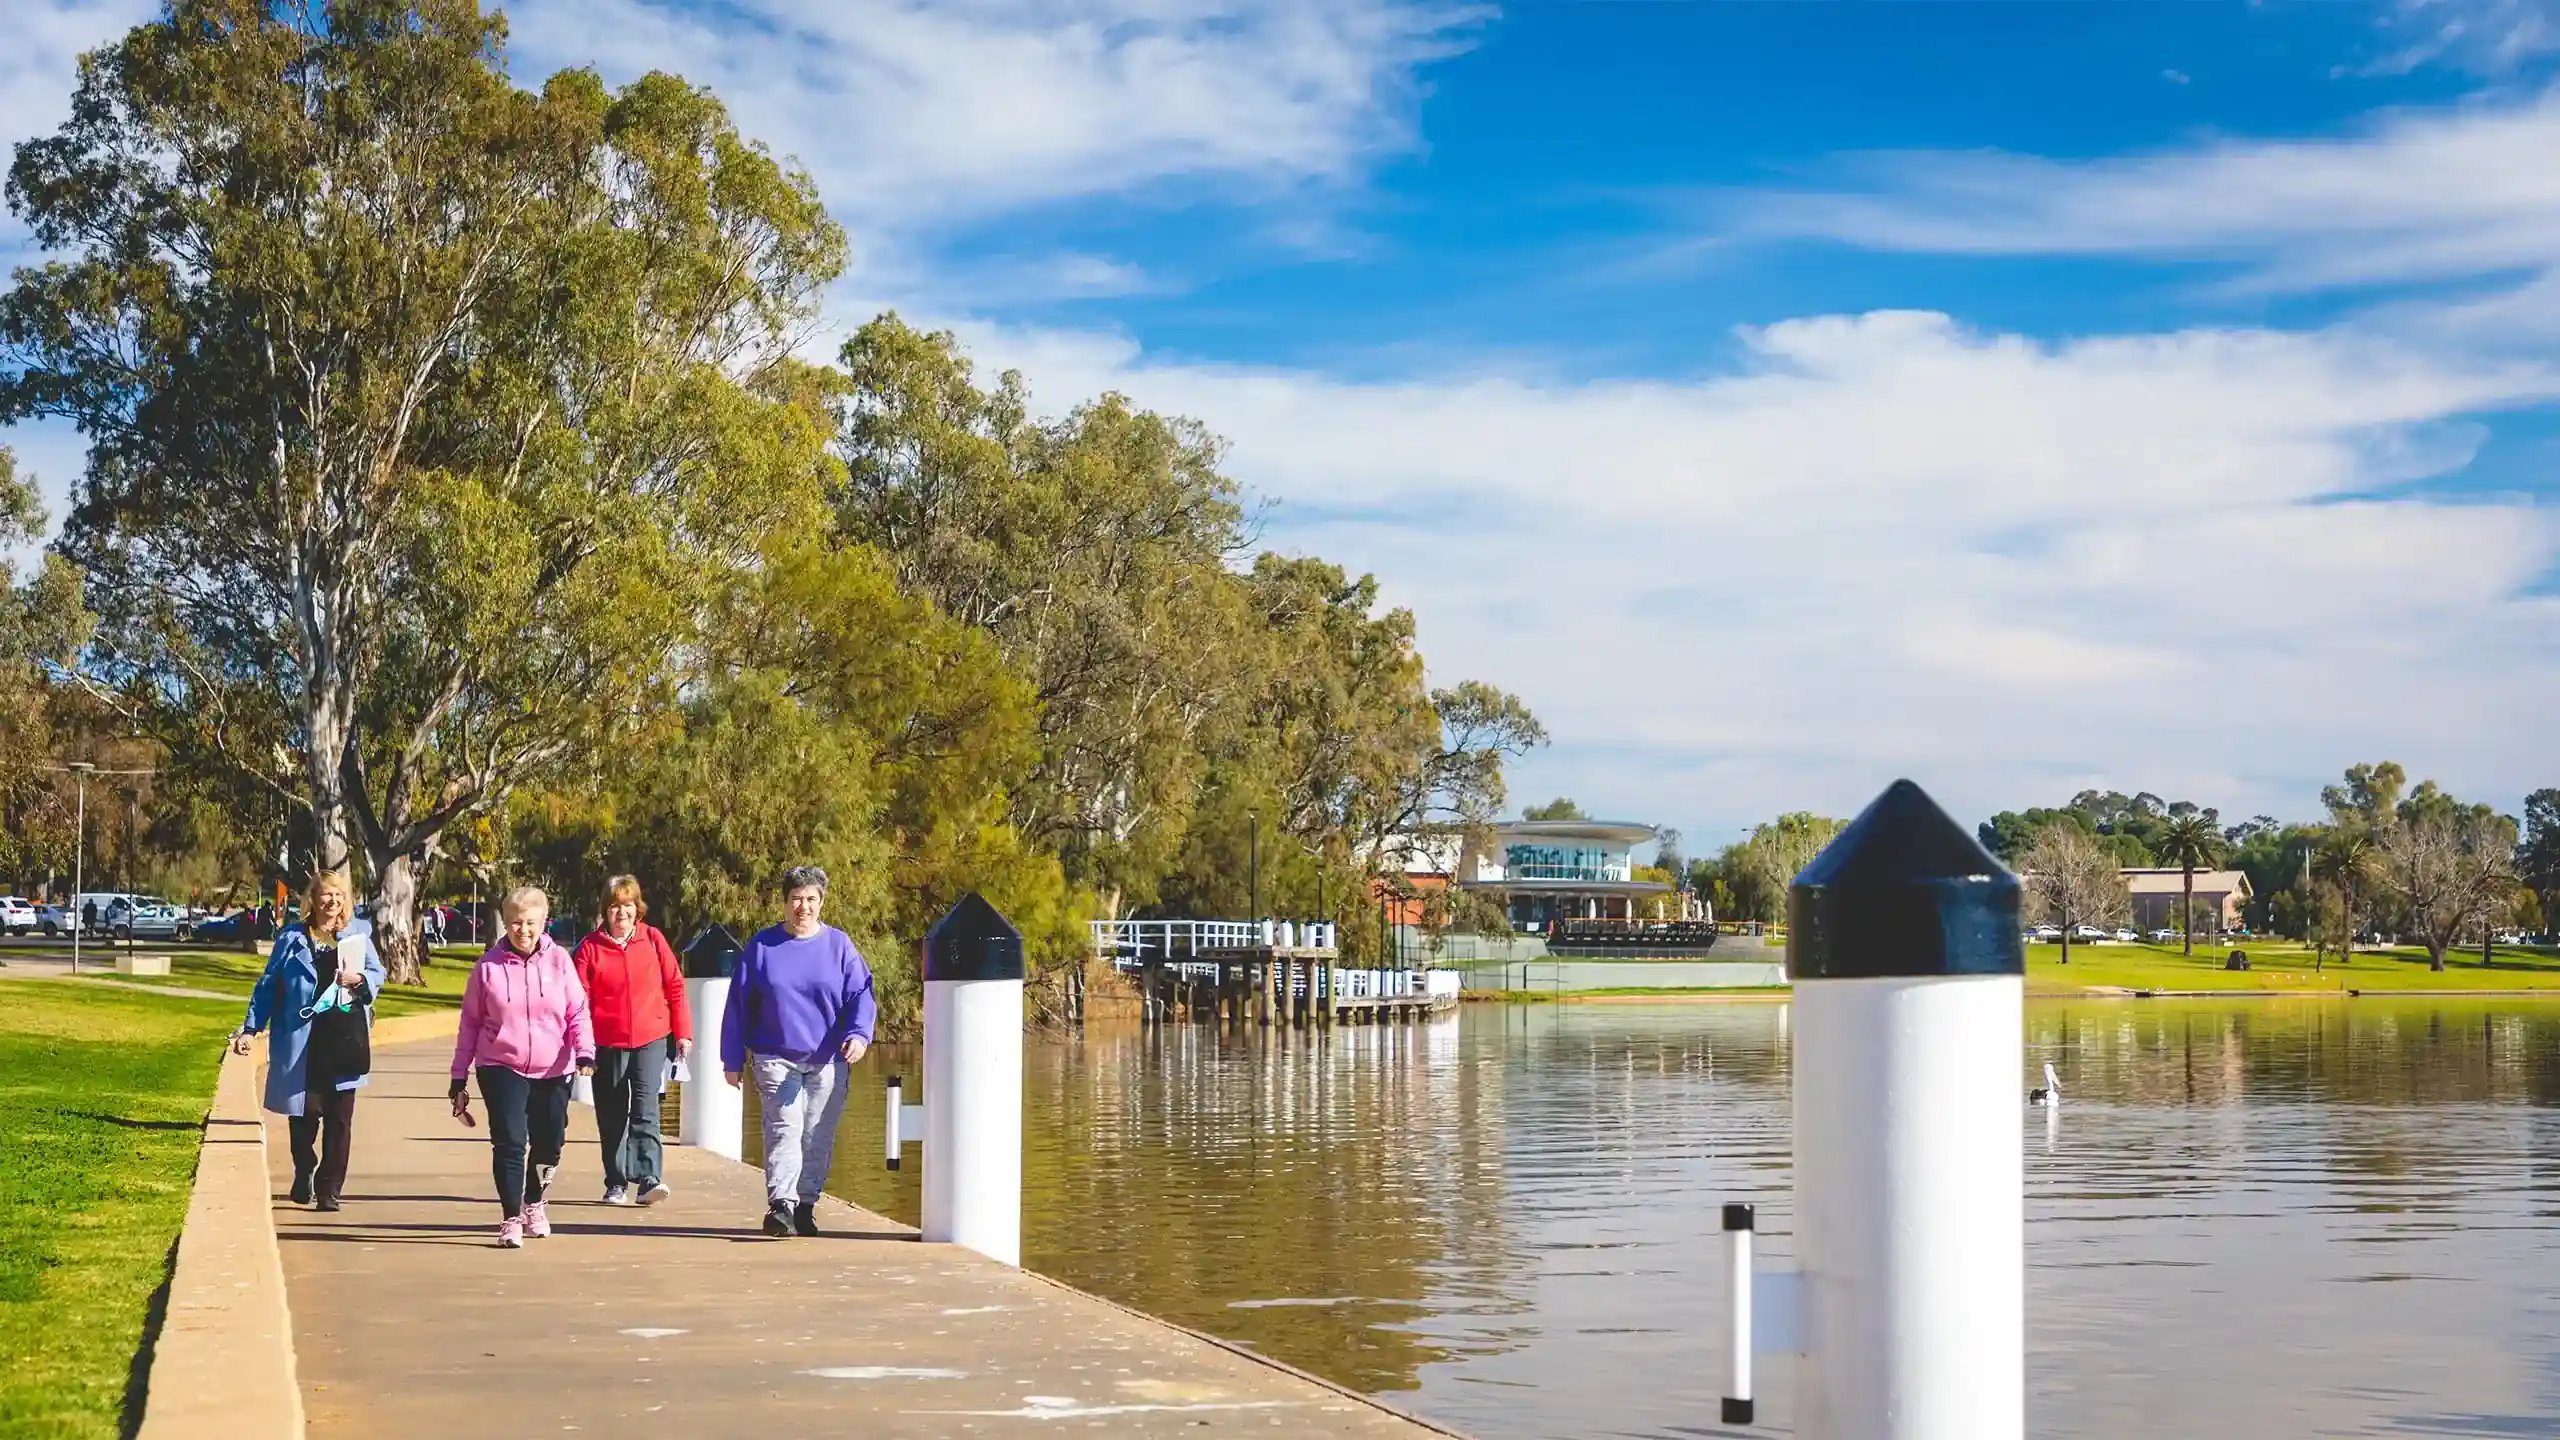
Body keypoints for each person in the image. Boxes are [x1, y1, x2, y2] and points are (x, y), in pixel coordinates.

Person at [722, 865, 875, 1238]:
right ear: (784, 903)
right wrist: (732, 1058)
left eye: (810, 899)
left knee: (816, 1135)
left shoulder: (839, 946)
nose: (802, 907)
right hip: (774, 1055)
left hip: (828, 1058)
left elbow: (861, 995)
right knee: (784, 1128)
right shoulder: (762, 947)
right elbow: (738, 1004)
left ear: (821, 902)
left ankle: (806, 1204)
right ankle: (781, 1206)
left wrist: (858, 1035)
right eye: (795, 899)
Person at [450, 886, 594, 1249]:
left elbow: (576, 1011)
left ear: (543, 922)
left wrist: (585, 1052)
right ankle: (511, 1217)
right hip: (500, 1064)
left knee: (551, 1143)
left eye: (530, 922)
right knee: (510, 1142)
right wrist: (458, 1076)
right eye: (515, 922)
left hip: (553, 1067)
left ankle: (535, 1202)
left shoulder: (560, 961)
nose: (523, 930)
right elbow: (469, 1023)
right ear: (505, 923)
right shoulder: (487, 967)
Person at [234, 872, 386, 1211]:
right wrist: (250, 1029)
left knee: (340, 1118)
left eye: (339, 895)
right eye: (326, 895)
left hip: (345, 1038)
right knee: (303, 1118)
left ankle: (330, 1189)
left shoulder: (358, 934)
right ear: (312, 900)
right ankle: (304, 1168)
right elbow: (268, 985)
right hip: (302, 1041)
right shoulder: (292, 938)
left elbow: (378, 974)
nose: (333, 901)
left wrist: (360, 979)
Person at [571, 875, 691, 1207]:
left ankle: (649, 1179)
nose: (622, 913)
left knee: (646, 1109)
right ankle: (616, 1181)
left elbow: (675, 987)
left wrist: (683, 1034)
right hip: (606, 1043)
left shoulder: (653, 939)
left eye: (628, 905)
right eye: (614, 906)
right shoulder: (590, 949)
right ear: (605, 911)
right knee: (612, 1115)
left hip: (651, 1039)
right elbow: (578, 1001)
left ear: (637, 908)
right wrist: (582, 1048)